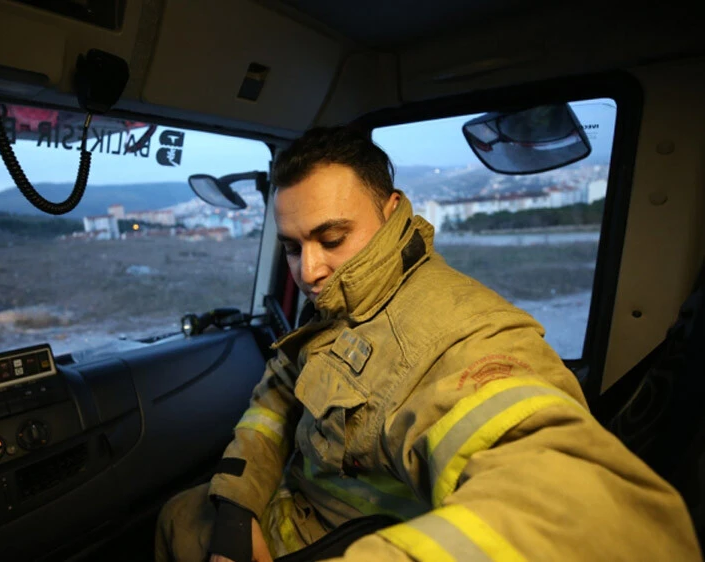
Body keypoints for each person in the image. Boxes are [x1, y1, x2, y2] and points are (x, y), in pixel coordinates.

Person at [156, 126, 701, 562]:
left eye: (332, 238)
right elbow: (274, 401)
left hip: (336, 541)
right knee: (180, 512)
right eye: (293, 248)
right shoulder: (340, 301)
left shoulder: (457, 331)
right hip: (281, 507)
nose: (309, 271)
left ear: (392, 211)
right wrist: (237, 511)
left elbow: (583, 509)